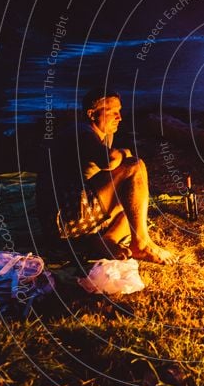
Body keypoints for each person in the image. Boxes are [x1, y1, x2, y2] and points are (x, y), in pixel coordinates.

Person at [36, 88, 172, 263]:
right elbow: (109, 161)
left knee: (135, 204)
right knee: (135, 167)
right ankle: (142, 244)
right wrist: (124, 152)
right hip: (62, 217)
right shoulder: (82, 131)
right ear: (92, 114)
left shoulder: (104, 135)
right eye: (113, 112)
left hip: (76, 214)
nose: (119, 117)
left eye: (120, 111)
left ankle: (106, 240)